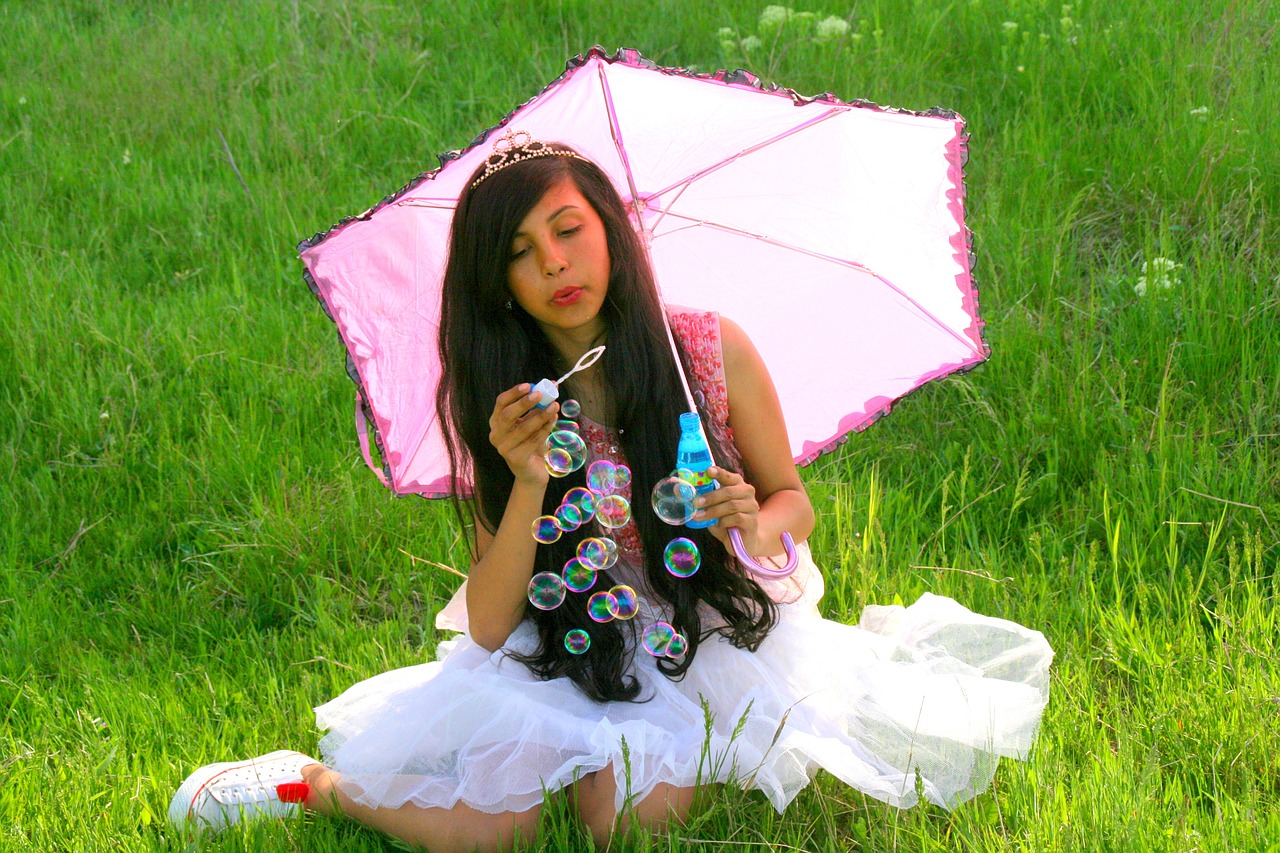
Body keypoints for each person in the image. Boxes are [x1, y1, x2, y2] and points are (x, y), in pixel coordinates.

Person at [169, 133, 1053, 851]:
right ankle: (314, 787)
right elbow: (486, 621)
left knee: (625, 820)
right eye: (521, 253)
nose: (555, 263)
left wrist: (753, 520)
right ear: (501, 289)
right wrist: (525, 481)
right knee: (499, 828)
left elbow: (794, 501)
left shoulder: (706, 350)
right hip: (576, 635)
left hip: (710, 622)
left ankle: (645, 760)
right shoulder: (513, 404)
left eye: (568, 228)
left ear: (611, 229)